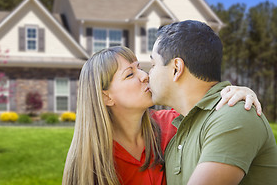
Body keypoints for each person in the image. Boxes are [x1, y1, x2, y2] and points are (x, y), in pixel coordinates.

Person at [62, 46, 261, 185]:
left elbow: (212, 111)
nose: (145, 76)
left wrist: (237, 93)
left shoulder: (172, 124)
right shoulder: (93, 162)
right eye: (130, 74)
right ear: (106, 97)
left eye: (139, 67)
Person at [148, 20, 277, 185]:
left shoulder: (233, 114)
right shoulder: (178, 135)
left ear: (176, 68)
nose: (148, 75)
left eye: (153, 65)